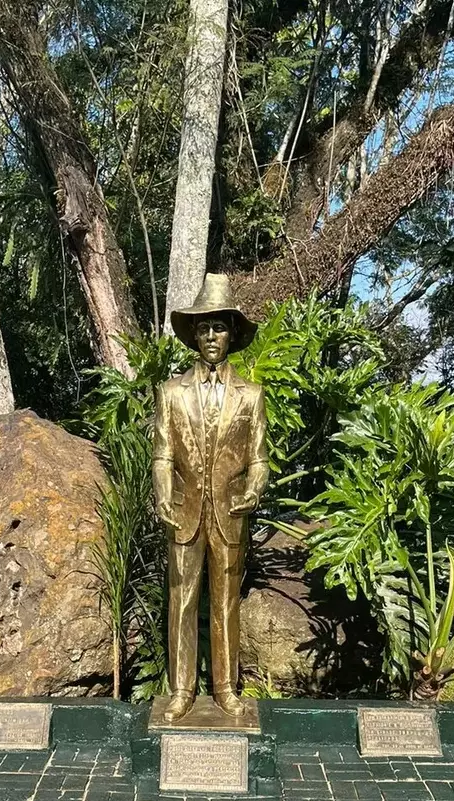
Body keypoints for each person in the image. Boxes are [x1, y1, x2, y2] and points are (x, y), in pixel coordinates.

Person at [152, 273, 269, 723]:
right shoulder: (171, 393)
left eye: (219, 327)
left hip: (230, 514)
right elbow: (162, 455)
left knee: (224, 603)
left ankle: (225, 688)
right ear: (194, 336)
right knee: (181, 600)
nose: (211, 336)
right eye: (203, 328)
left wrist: (254, 490)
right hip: (183, 513)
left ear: (233, 334)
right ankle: (181, 690)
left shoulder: (252, 396)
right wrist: (163, 494)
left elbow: (259, 460)